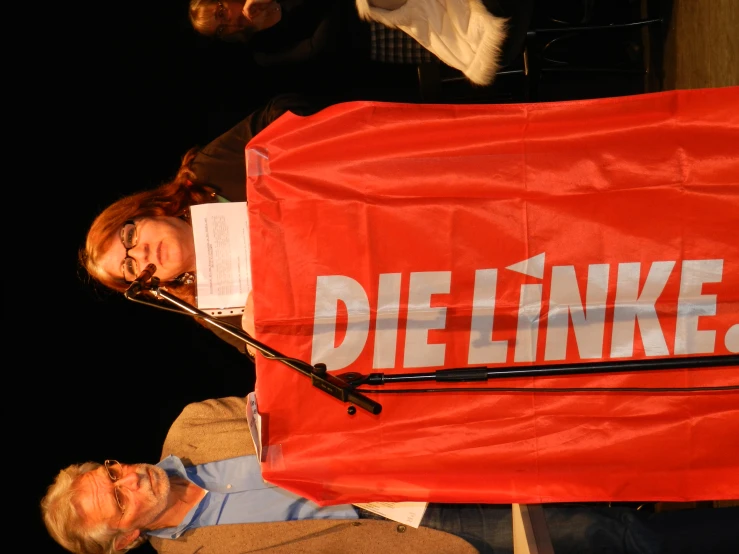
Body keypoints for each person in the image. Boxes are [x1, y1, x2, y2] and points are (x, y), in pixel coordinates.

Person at [41, 396, 739, 554]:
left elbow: (282, 396)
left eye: (113, 471)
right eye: (119, 498)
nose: (131, 476)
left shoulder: (191, 425)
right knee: (587, 530)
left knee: (595, 459)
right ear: (127, 540)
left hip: (411, 450)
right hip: (406, 525)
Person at [78, 94, 324, 356]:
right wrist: (259, 343)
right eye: (129, 266)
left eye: (129, 237)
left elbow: (282, 110)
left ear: (146, 211)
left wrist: (293, 173)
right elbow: (289, 362)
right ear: (152, 286)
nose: (141, 253)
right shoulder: (208, 308)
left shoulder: (208, 175)